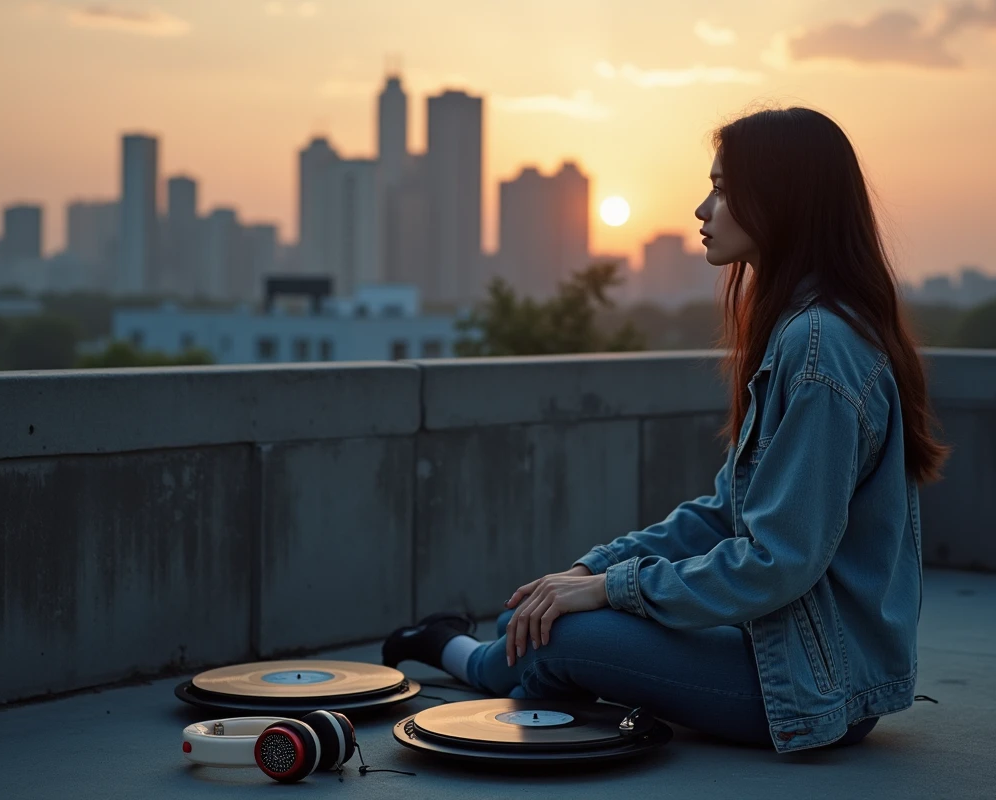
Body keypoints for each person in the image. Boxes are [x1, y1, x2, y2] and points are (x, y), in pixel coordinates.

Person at [381, 106, 949, 753]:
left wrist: (608, 592)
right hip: (780, 650)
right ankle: (508, 651)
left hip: (807, 685)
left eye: (722, 189)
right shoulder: (808, 329)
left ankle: (448, 648)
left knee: (545, 636)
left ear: (782, 200)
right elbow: (723, 514)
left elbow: (776, 562)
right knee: (535, 611)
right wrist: (589, 572)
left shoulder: (819, 347)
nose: (703, 209)